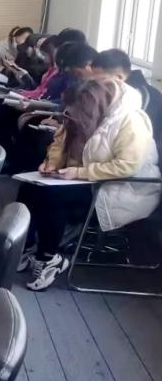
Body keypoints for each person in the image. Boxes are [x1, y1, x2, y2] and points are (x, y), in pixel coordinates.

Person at [18, 76, 160, 290]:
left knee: (52, 197)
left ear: (91, 108)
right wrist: (51, 163)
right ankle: (28, 246)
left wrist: (79, 172)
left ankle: (49, 258)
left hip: (123, 190)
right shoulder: (78, 113)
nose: (71, 116)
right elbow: (59, 143)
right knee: (29, 188)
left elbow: (127, 166)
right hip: (85, 181)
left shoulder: (131, 120)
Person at [91, 48, 162, 144]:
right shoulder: (115, 93)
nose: (96, 85)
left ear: (119, 77)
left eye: (100, 80)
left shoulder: (141, 98)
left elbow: (136, 140)